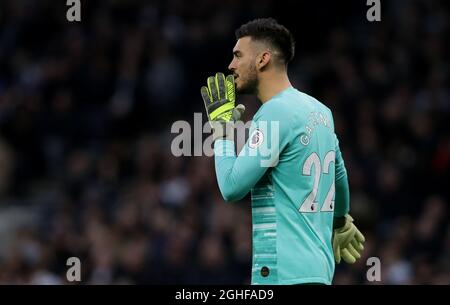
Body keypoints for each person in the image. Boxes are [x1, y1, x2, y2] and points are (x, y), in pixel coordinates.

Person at [200, 18, 365, 285]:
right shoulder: (321, 112)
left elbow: (231, 187)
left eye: (238, 55)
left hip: (282, 275)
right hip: (319, 273)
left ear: (263, 59)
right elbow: (340, 177)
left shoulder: (275, 113)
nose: (231, 65)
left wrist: (223, 134)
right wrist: (340, 221)